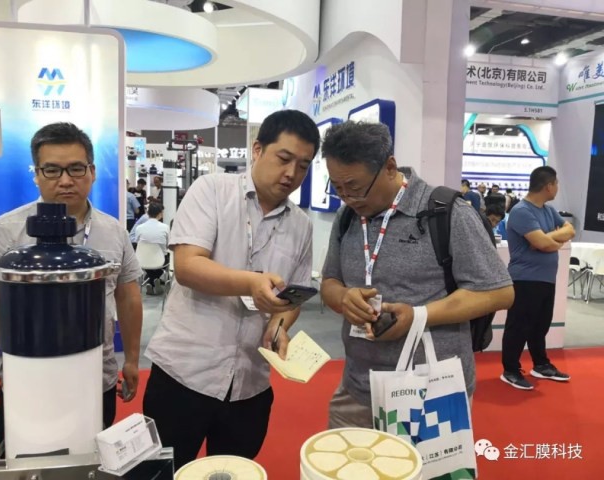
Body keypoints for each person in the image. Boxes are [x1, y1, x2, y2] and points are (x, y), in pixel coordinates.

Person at [143, 110, 320, 469]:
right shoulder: (212, 190)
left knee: (234, 471)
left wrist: (279, 326)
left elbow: (292, 298)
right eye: (284, 159)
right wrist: (251, 282)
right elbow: (188, 266)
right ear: (257, 150)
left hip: (250, 384)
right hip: (185, 373)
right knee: (164, 472)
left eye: (303, 166)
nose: (291, 173)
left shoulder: (301, 225)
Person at [319, 121, 514, 428]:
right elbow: (330, 282)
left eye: (355, 187)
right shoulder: (347, 218)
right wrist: (344, 298)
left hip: (430, 393)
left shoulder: (446, 212)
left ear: (390, 167)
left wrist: (418, 316)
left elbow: (499, 291)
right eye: (337, 188)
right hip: (358, 388)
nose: (348, 198)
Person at [0, 122, 143, 443]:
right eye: (52, 170)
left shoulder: (114, 231)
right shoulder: (5, 231)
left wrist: (133, 360)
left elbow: (128, 296)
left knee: (92, 459)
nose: (65, 180)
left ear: (92, 172)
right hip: (28, 382)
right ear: (36, 174)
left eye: (76, 169)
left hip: (97, 379)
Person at [501, 166, 575, 390]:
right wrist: (549, 241)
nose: (557, 188)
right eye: (556, 184)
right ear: (548, 186)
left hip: (546, 279)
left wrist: (548, 239)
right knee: (519, 326)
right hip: (525, 279)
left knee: (540, 325)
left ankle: (541, 364)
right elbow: (542, 244)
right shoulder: (521, 211)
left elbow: (569, 230)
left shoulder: (548, 210)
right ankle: (510, 370)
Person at [132, 202, 170, 295]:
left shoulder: (139, 228)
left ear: (148, 213)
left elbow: (137, 243)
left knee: (149, 263)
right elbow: (168, 244)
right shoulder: (165, 227)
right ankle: (154, 280)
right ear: (160, 213)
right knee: (166, 259)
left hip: (142, 260)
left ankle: (151, 281)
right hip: (160, 260)